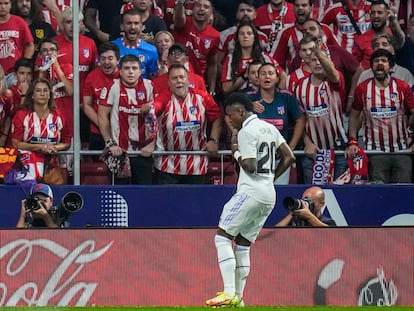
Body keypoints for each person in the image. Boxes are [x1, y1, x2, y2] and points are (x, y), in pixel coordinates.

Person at [205, 92, 295, 307]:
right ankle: (239, 298)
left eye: (230, 116)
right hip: (268, 194)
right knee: (243, 245)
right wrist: (270, 178)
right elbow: (290, 157)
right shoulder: (270, 128)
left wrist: (235, 152)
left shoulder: (246, 132)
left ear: (240, 112)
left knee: (222, 237)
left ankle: (228, 292)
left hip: (250, 191)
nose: (228, 120)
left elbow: (251, 166)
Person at [142, 63, 222, 184]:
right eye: (174, 78)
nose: (179, 81)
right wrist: (148, 108)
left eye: (182, 77)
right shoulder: (163, 98)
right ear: (169, 83)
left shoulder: (203, 97)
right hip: (167, 165)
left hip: (196, 164)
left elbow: (217, 117)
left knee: (194, 203)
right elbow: (153, 110)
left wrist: (213, 140)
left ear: (188, 80)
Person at [346, 49, 414, 183]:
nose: (379, 64)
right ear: (371, 66)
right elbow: (354, 116)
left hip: (402, 151)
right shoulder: (363, 89)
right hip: (374, 152)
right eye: (376, 61)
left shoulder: (402, 87)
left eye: (384, 61)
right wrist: (353, 140)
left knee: (403, 192)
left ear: (391, 66)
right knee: (378, 191)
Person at [97, 54, 155, 184]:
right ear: (120, 71)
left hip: (143, 152)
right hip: (118, 152)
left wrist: (152, 144)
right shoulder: (112, 86)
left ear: (140, 71)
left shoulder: (150, 86)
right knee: (118, 195)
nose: (130, 72)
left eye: (134, 68)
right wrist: (110, 143)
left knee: (143, 195)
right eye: (127, 68)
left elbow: (159, 117)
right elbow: (102, 116)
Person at [295, 47, 349, 184]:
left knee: (340, 195)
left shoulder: (335, 81)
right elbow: (299, 119)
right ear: (308, 63)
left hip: (338, 151)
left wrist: (318, 52)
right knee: (312, 196)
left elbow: (334, 75)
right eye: (314, 60)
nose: (318, 63)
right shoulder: (299, 86)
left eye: (321, 60)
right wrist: (307, 143)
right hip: (312, 151)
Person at [249, 62, 305, 184]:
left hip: (280, 159)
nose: (267, 77)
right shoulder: (248, 98)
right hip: (256, 159)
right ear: (258, 78)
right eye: (263, 74)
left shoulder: (286, 97)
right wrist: (248, 107)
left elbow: (300, 119)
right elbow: (229, 112)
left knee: (277, 194)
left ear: (277, 78)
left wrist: (291, 147)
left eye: (270, 73)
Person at [10, 78, 71, 183]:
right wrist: (39, 147)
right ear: (32, 95)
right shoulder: (21, 115)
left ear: (50, 95)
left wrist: (53, 147)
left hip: (51, 167)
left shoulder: (59, 116)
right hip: (26, 167)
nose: (42, 94)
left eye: (45, 90)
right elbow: (15, 143)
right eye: (38, 91)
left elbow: (67, 143)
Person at [270, 0, 339, 73]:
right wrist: (284, 78)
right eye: (297, 5)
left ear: (311, 7)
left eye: (304, 5)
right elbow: (275, 61)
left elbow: (338, 53)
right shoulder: (286, 32)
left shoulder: (325, 29)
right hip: (297, 79)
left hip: (324, 78)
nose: (300, 8)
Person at [221, 20, 286, 94]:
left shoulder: (264, 57)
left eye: (249, 33)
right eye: (242, 34)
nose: (245, 36)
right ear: (237, 39)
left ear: (254, 37)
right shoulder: (230, 59)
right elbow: (225, 88)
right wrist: (244, 76)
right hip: (240, 100)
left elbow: (283, 77)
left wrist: (277, 95)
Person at [173, 0, 220, 95]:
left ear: (211, 13)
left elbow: (212, 64)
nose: (201, 8)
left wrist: (212, 89)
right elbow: (178, 20)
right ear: (193, 9)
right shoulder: (184, 23)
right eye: (198, 5)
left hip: (198, 82)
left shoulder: (215, 35)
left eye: (206, 7)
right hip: (177, 77)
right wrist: (180, 3)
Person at [83, 42, 120, 152]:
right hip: (97, 131)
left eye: (110, 58)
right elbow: (87, 105)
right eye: (103, 59)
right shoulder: (92, 77)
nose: (106, 62)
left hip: (121, 131)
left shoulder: (124, 76)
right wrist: (103, 125)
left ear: (117, 60)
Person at [352, 0, 405, 70]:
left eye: (380, 12)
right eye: (373, 13)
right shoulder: (361, 39)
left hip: (390, 78)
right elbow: (354, 67)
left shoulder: (393, 36)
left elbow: (400, 41)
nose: (376, 16)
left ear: (387, 13)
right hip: (367, 78)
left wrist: (393, 20)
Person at [112, 8, 159, 79]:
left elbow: (153, 79)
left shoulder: (151, 50)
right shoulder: (111, 48)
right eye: (129, 23)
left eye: (136, 23)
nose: (133, 27)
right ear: (122, 27)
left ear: (141, 27)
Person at [0, 0, 34, 86]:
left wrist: (23, 64)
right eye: (0, 3)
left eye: (6, 3)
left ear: (11, 5)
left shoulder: (19, 22)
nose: (3, 7)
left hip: (14, 73)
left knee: (18, 97)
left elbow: (30, 45)